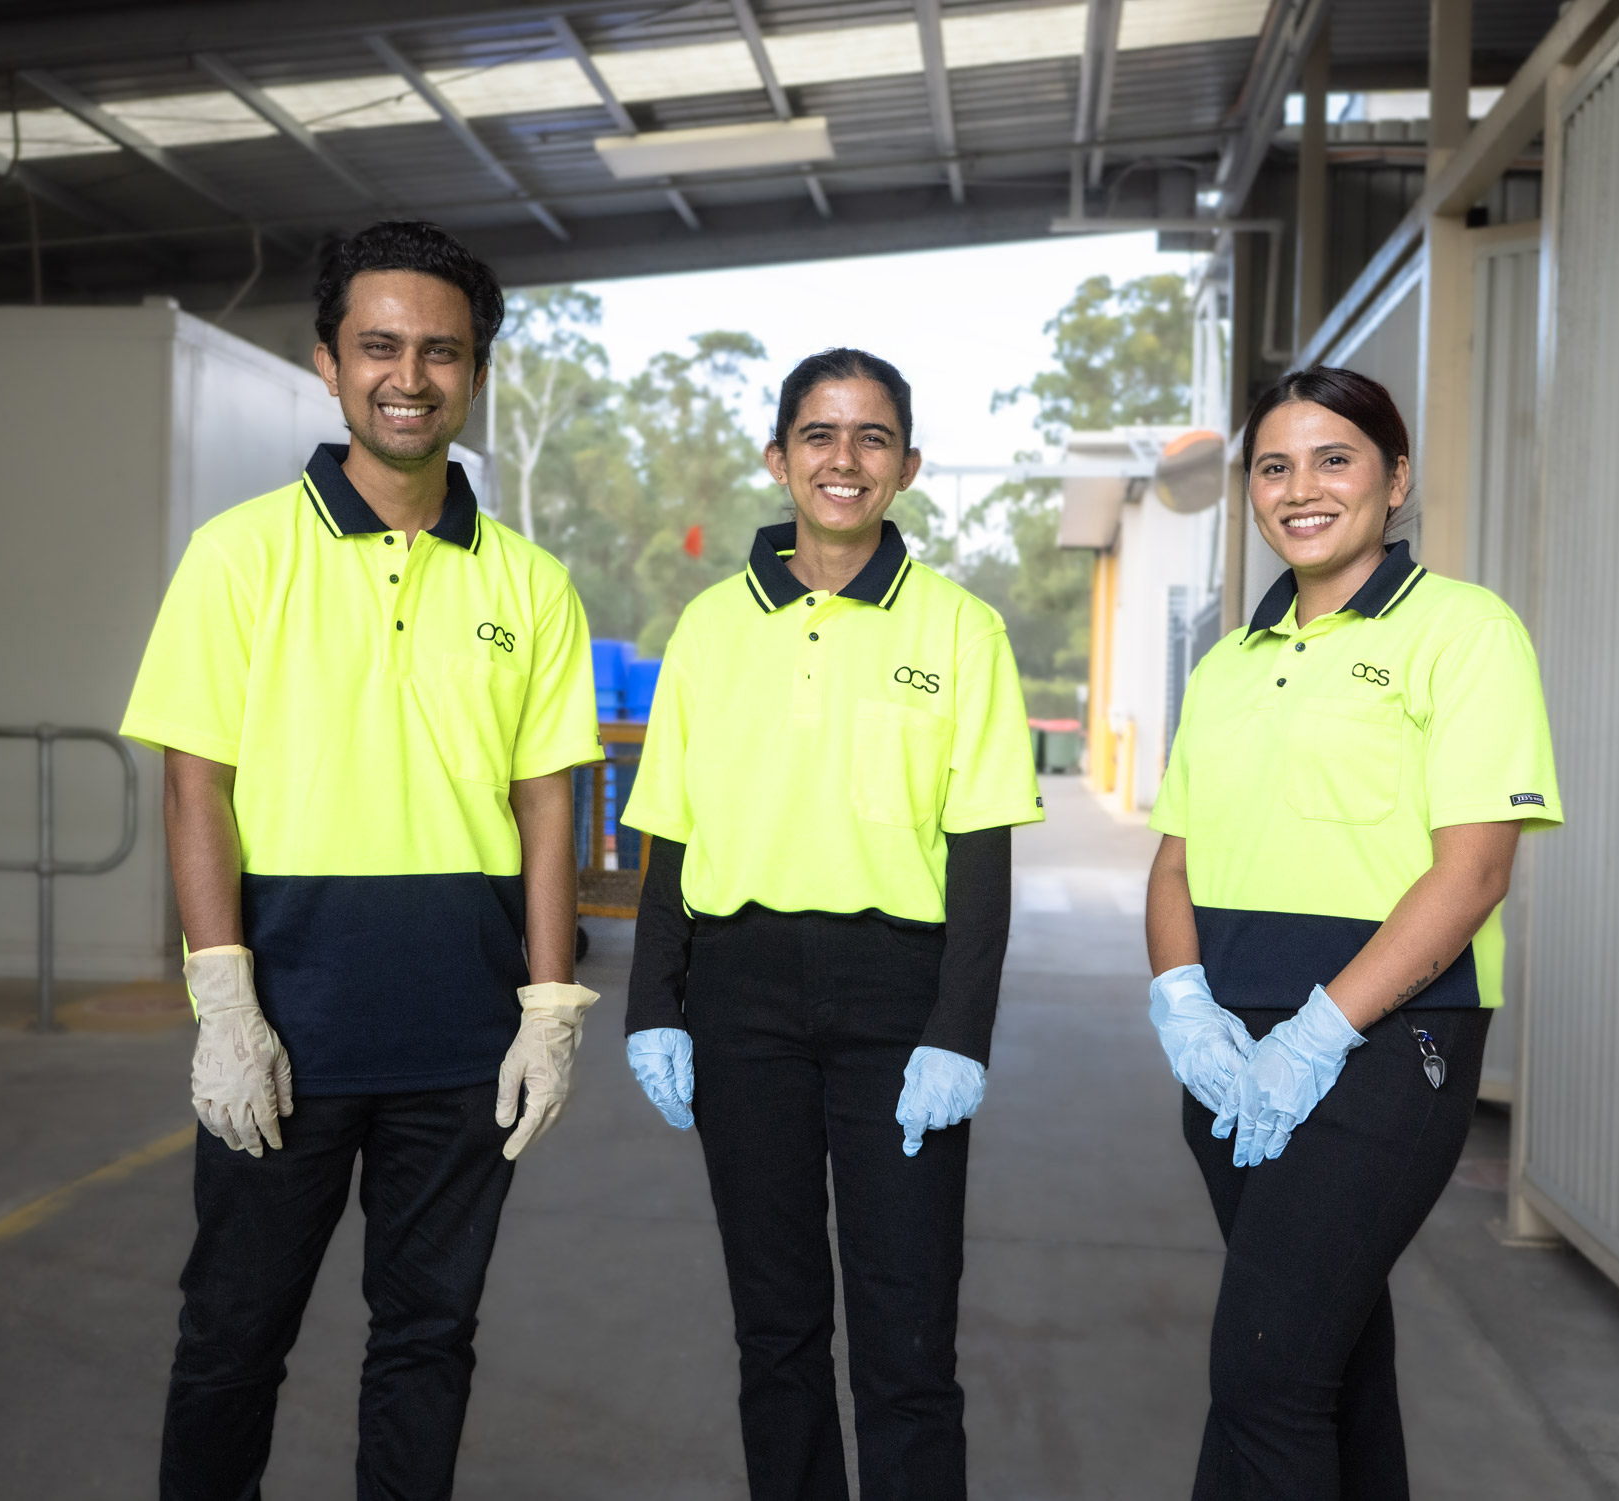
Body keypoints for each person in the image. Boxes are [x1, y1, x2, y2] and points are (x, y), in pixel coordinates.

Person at [119, 220, 601, 1501]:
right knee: (231, 1336)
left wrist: (549, 1005)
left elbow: (545, 801)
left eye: (441, 351)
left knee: (428, 1341)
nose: (409, 375)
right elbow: (193, 780)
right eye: (378, 346)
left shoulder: (534, 585)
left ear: (476, 373)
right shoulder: (239, 555)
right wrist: (223, 1000)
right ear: (326, 363)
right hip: (285, 1025)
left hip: (461, 1036)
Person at [620, 349, 1043, 1501]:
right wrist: (652, 1006)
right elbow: (671, 833)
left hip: (896, 998)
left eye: (869, 438)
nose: (841, 459)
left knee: (906, 1345)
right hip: (739, 995)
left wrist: (961, 1029)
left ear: (905, 466)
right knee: (776, 1330)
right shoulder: (710, 629)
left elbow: (981, 854)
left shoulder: (961, 631)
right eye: (818, 434)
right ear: (778, 458)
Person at [1144, 366, 1562, 1500]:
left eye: (1334, 458)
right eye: (1273, 466)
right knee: (1333, 1363)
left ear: (1395, 478)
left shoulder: (1462, 632)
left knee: (1265, 1377)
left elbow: (1472, 871)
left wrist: (1322, 1028)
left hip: (1384, 1049)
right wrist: (1182, 1003)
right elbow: (1174, 859)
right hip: (1230, 1063)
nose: (1300, 487)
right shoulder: (1227, 663)